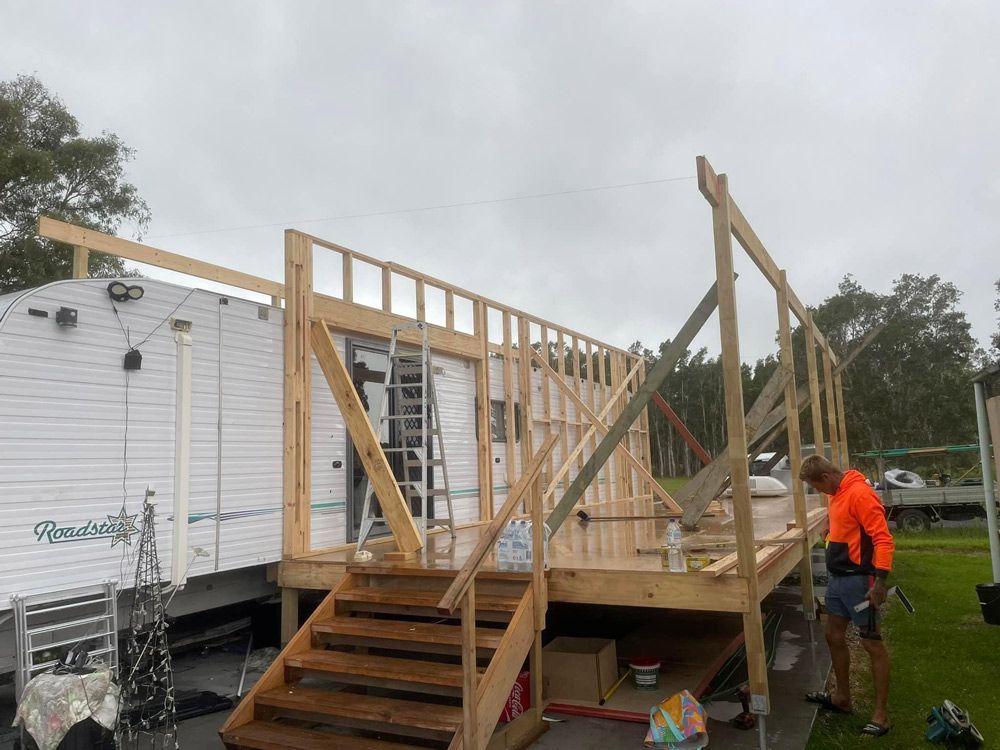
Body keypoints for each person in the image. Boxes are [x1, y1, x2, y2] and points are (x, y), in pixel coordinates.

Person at [800, 454, 894, 738]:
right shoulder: (838, 493)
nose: (819, 492)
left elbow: (883, 539)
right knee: (833, 635)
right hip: (838, 581)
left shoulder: (860, 495)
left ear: (826, 478)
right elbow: (846, 528)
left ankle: (881, 715)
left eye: (817, 486)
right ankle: (842, 698)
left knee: (871, 643)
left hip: (859, 581)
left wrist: (879, 582)